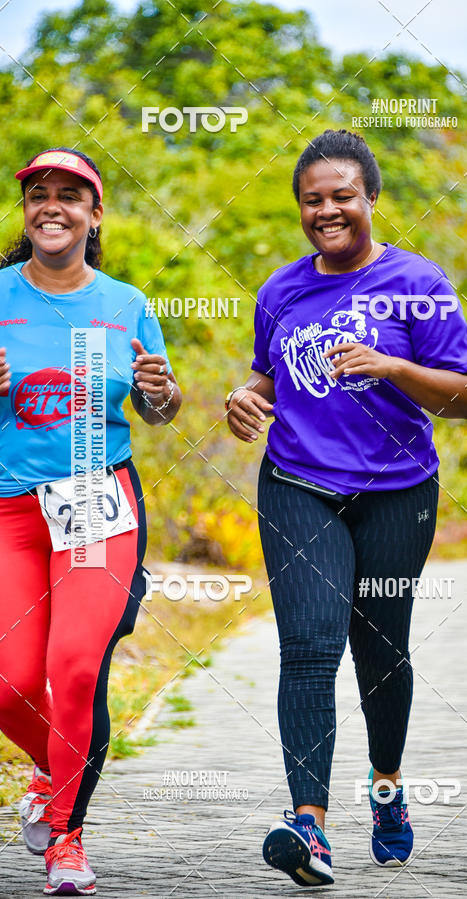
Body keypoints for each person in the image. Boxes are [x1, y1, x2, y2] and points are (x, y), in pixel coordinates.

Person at [226, 129, 467, 887]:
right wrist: (247, 396)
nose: (327, 210)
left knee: (381, 651)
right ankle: (310, 826)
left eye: (342, 196)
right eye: (313, 200)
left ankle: (387, 788)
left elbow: (465, 398)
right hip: (299, 484)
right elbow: (273, 379)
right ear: (300, 208)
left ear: (371, 198)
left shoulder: (418, 282)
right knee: (308, 647)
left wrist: (394, 365)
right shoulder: (280, 291)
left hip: (397, 494)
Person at [0, 147, 181, 896]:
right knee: (9, 683)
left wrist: (161, 388)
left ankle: (66, 839)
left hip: (94, 506)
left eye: (69, 196)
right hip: (11, 510)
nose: (52, 206)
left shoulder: (126, 303)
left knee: (75, 665)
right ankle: (55, 773)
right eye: (39, 193)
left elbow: (160, 408)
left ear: (94, 214)